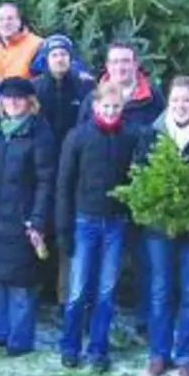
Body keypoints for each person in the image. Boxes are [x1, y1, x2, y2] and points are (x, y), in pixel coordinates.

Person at [133, 77, 189, 376]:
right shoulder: (153, 133)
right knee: (159, 292)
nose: (181, 106)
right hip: (159, 230)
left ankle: (187, 356)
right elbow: (140, 176)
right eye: (175, 101)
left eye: (187, 100)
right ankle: (159, 353)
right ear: (168, 103)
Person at [79, 41, 162, 340]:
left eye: (126, 61)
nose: (120, 67)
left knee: (146, 262)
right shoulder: (94, 98)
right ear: (107, 65)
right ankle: (95, 321)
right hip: (101, 200)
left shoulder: (152, 98)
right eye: (114, 61)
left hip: (141, 196)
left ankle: (146, 323)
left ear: (136, 64)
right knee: (97, 265)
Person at [57, 81, 142, 373]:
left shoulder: (131, 137)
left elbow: (137, 182)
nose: (110, 111)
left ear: (123, 108)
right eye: (106, 106)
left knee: (106, 291)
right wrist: (62, 228)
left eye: (116, 107)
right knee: (79, 290)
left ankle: (98, 349)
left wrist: (132, 220)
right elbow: (64, 184)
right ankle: (70, 346)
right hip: (84, 221)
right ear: (95, 107)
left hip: (116, 223)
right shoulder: (78, 137)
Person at [0, 78, 55, 355]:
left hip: (22, 215)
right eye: (8, 99)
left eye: (19, 99)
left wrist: (38, 219)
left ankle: (20, 339)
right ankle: (1, 331)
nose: (13, 103)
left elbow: (46, 181)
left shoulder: (40, 133)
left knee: (21, 281)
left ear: (30, 102)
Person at [32, 33, 95, 302]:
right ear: (46, 59)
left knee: (66, 228)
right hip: (41, 168)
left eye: (64, 55)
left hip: (75, 169)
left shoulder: (83, 89)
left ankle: (64, 294)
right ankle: (37, 288)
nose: (60, 59)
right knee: (40, 225)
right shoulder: (35, 88)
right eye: (55, 55)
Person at [0, 1, 43, 80]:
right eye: (0, 19)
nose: (5, 23)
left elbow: (42, 80)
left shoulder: (37, 45)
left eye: (10, 19)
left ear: (19, 21)